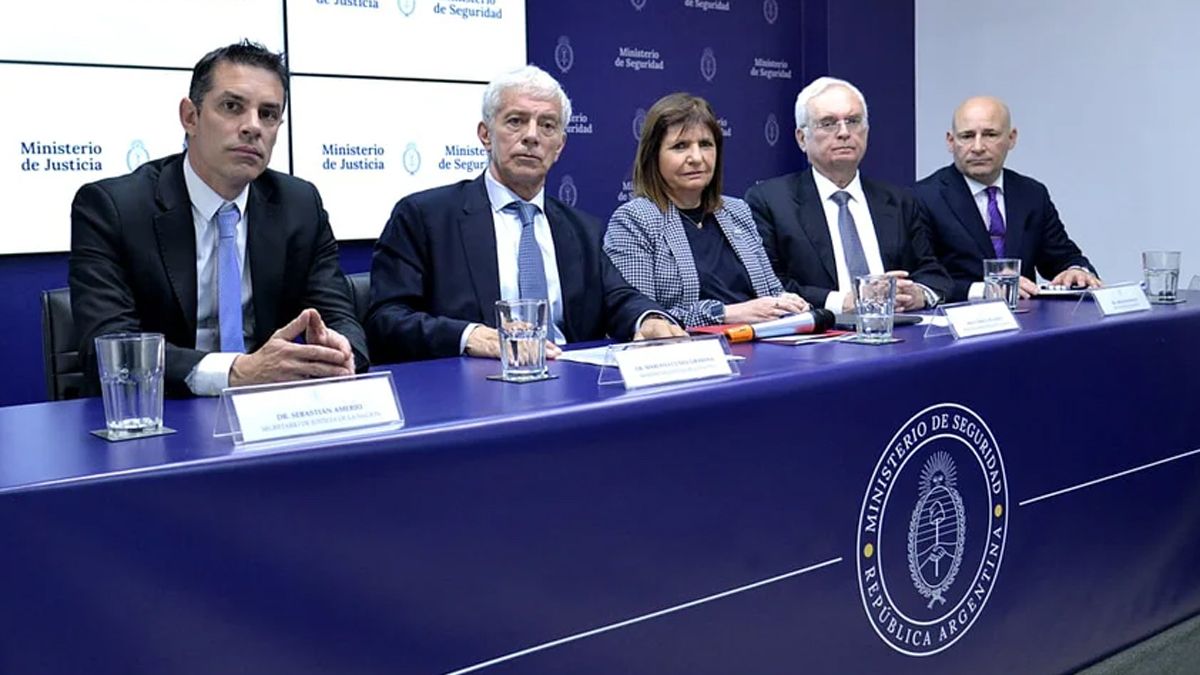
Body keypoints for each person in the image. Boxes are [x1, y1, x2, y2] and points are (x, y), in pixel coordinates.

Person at [69, 40, 368, 398]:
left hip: (274, 415)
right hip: (164, 414)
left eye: (268, 114)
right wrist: (237, 372)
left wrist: (339, 350)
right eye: (232, 107)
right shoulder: (113, 208)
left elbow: (342, 319)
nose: (252, 127)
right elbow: (111, 349)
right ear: (190, 117)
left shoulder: (299, 205)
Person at [367, 65, 683, 363]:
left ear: (559, 145)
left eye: (547, 125)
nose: (532, 136)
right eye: (516, 121)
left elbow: (619, 298)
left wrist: (649, 318)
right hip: (473, 388)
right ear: (485, 134)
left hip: (571, 383)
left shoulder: (581, 229)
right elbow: (386, 319)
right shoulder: (425, 218)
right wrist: (468, 336)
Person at [746, 76, 951, 312]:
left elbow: (934, 274)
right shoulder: (770, 202)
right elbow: (770, 285)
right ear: (802, 139)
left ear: (866, 131)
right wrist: (843, 302)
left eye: (853, 121)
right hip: (821, 338)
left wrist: (919, 294)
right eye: (828, 123)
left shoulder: (898, 201)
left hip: (901, 331)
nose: (844, 132)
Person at [604, 93, 809, 327]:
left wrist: (786, 302)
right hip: (685, 353)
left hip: (761, 345)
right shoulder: (634, 220)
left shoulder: (736, 211)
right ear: (654, 156)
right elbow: (645, 319)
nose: (697, 158)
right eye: (680, 146)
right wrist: (725, 314)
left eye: (705, 144)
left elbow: (771, 290)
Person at [914, 96, 1100, 302]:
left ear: (1011, 138)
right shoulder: (923, 198)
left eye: (990, 134)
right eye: (967, 136)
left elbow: (1062, 256)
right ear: (951, 141)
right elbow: (923, 278)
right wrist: (985, 290)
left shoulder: (1031, 193)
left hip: (1028, 322)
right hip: (957, 324)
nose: (977, 147)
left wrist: (1075, 270)